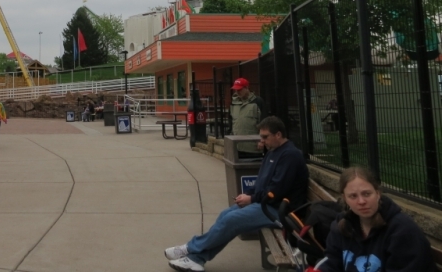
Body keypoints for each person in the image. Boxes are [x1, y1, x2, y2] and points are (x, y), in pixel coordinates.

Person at [165, 116, 309, 272]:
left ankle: (190, 248)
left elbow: (276, 191)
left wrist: (252, 198)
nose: (262, 141)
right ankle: (196, 259)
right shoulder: (273, 152)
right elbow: (262, 182)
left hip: (280, 211)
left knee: (231, 220)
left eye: (265, 137)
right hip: (267, 204)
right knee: (225, 215)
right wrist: (248, 194)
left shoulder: (290, 155)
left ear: (278, 134)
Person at [322, 166, 433, 272]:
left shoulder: (402, 231)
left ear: (378, 193)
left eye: (367, 194)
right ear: (345, 198)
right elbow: (331, 262)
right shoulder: (342, 225)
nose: (361, 201)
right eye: (353, 196)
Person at [229, 78, 265, 156]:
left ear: (246, 88)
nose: (237, 92)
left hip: (253, 147)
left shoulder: (257, 101)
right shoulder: (234, 103)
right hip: (237, 146)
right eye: (236, 90)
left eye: (240, 89)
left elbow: (264, 123)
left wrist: (262, 140)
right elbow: (232, 123)